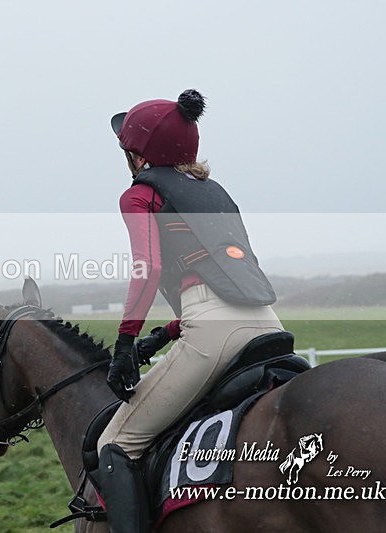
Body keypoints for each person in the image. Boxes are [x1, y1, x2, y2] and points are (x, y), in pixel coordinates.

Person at [95, 89, 284, 533]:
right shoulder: (216, 193)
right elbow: (229, 278)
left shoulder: (140, 195)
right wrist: (165, 334)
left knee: (116, 446)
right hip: (267, 324)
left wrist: (125, 341)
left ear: (137, 154)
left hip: (212, 333)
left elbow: (149, 267)